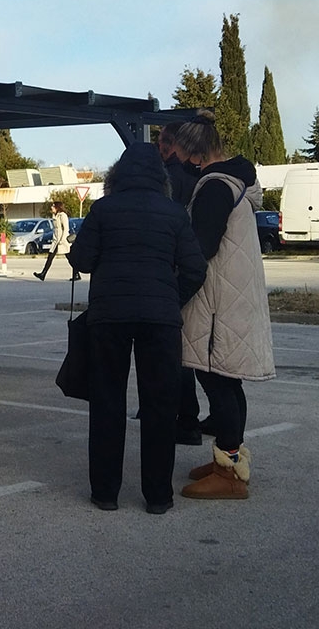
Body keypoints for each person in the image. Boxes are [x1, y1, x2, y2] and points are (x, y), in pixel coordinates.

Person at [67, 143, 207, 514]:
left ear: (117, 175)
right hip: (160, 320)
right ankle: (158, 496)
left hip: (109, 316)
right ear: (161, 177)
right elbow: (196, 268)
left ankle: (105, 493)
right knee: (160, 406)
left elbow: (83, 260)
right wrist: (171, 298)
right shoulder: (174, 213)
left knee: (107, 402)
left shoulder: (103, 209)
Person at [171, 111, 275, 500]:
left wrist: (175, 290)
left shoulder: (214, 187)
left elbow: (201, 250)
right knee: (228, 381)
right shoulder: (235, 180)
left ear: (196, 153)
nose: (180, 162)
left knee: (217, 382)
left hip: (218, 301)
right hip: (234, 296)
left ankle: (228, 473)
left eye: (182, 154)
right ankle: (228, 459)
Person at [158, 122, 206, 446]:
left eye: (162, 142)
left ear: (170, 144)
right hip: (198, 268)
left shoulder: (169, 180)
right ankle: (204, 414)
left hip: (175, 272)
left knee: (178, 353)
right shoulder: (199, 178)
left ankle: (186, 418)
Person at [33, 201, 78, 282]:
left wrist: (63, 239)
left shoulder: (62, 215)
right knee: (50, 256)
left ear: (58, 207)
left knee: (70, 258)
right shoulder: (55, 215)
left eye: (53, 206)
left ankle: (76, 273)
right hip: (56, 240)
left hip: (62, 240)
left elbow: (66, 228)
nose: (51, 207)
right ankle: (43, 274)